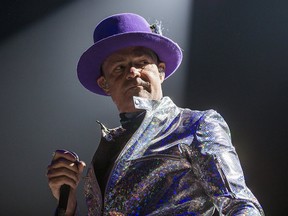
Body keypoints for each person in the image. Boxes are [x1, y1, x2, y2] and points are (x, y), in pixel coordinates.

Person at [47, 13, 265, 215]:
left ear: (160, 71)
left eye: (142, 62)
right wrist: (67, 206)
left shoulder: (194, 125)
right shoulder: (101, 157)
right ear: (105, 84)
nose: (133, 72)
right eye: (119, 68)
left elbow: (241, 205)